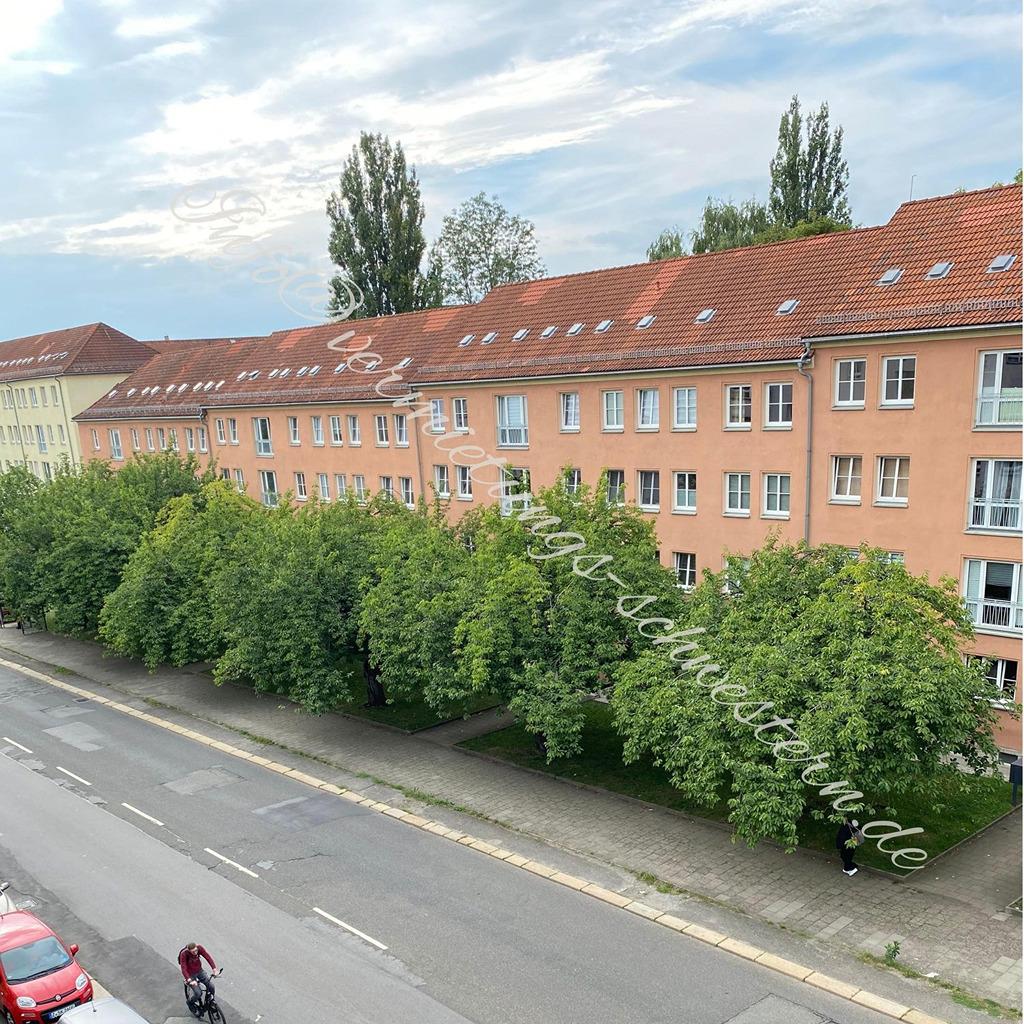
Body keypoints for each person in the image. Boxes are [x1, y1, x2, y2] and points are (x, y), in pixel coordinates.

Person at [179, 941, 217, 1010]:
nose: (195, 952)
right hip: (190, 974)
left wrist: (214, 969)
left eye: (196, 950)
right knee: (198, 993)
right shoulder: (184, 954)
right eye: (193, 951)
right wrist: (189, 980)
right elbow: (183, 969)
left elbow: (207, 957)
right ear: (189, 950)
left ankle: (211, 1001)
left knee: (211, 987)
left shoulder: (199, 948)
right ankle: (190, 1003)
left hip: (199, 971)